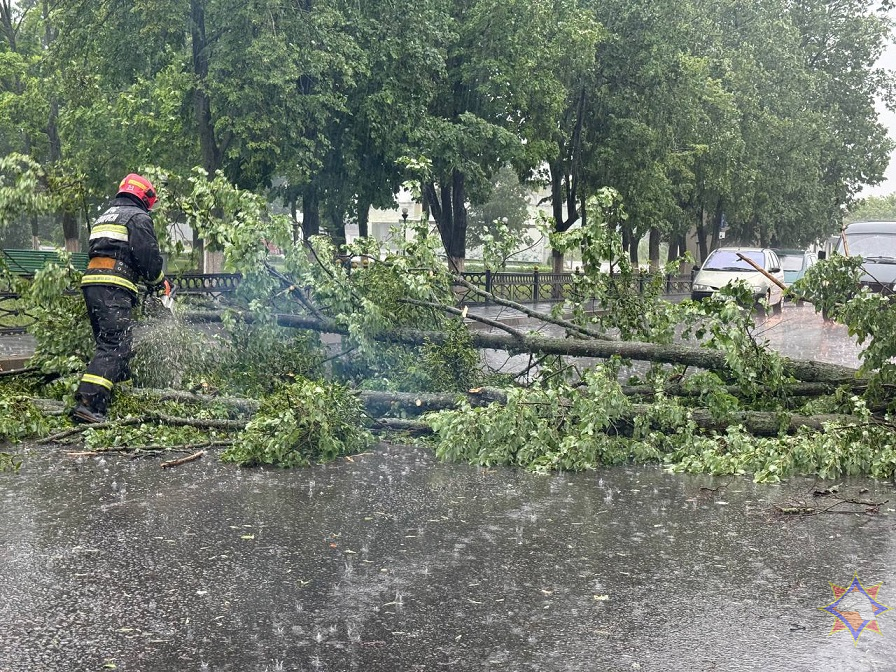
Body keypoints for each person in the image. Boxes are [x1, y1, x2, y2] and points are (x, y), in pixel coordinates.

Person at [70, 173, 171, 424]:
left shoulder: (105, 216)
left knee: (110, 342)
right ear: (145, 197)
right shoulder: (138, 217)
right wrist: (159, 283)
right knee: (116, 344)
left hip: (93, 285)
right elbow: (147, 257)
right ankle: (89, 403)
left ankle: (120, 390)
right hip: (113, 286)